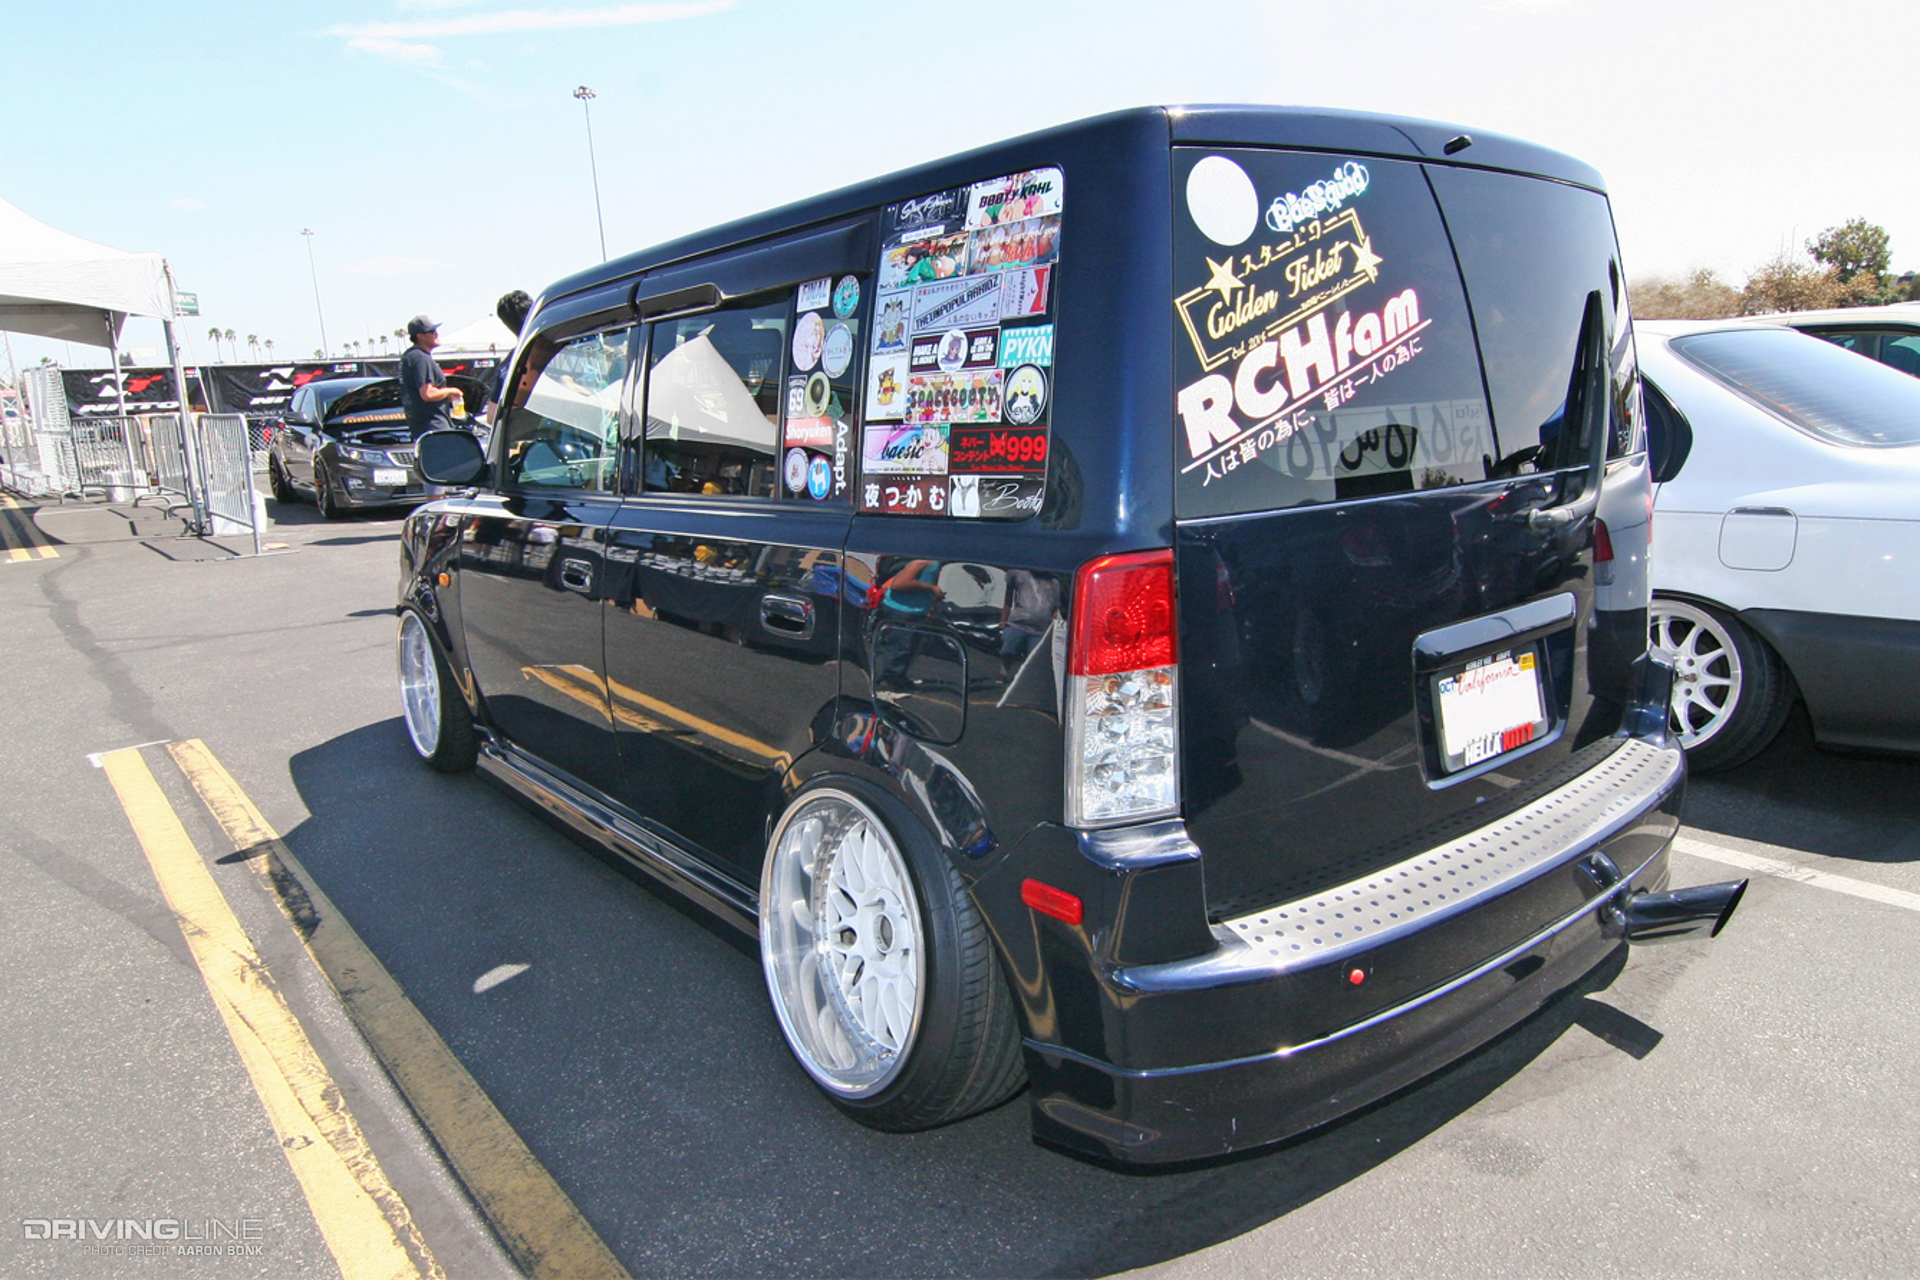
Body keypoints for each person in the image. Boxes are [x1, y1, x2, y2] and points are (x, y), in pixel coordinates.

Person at [398, 315, 464, 438]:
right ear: (420, 336)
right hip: (434, 426)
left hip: (421, 427)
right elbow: (427, 394)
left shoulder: (410, 356)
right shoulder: (421, 358)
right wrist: (452, 391)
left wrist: (445, 395)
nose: (436, 335)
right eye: (432, 332)